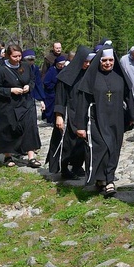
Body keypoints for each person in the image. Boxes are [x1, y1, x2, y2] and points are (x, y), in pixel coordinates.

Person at [73, 47, 134, 197]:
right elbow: (83, 101)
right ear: (99, 61)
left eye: (110, 60)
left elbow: (128, 96)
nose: (107, 63)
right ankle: (102, 178)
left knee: (114, 148)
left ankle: (109, 179)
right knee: (101, 147)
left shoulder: (120, 77)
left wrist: (132, 116)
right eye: (104, 60)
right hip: (96, 117)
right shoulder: (91, 77)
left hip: (116, 118)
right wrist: (80, 126)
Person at [0, 44, 42, 168]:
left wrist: (29, 86)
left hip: (26, 102)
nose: (18, 59)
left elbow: (32, 79)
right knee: (9, 128)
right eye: (15, 56)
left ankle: (31, 156)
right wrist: (10, 91)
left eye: (19, 56)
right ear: (8, 56)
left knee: (30, 127)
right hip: (8, 104)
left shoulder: (26, 66)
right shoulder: (2, 70)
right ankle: (8, 155)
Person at [48, 46, 93, 180]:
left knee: (82, 142)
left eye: (90, 61)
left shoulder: (89, 74)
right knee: (67, 142)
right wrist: (59, 116)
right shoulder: (66, 74)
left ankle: (77, 165)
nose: (88, 64)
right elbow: (60, 97)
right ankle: (64, 167)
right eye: (85, 61)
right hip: (69, 113)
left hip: (83, 112)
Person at [41, 55, 66, 123]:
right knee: (50, 108)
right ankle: (50, 120)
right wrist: (55, 84)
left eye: (63, 64)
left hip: (60, 92)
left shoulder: (64, 69)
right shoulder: (52, 70)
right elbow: (46, 82)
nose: (61, 66)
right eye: (60, 64)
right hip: (51, 92)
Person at [22, 50, 46, 118]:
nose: (31, 62)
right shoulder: (19, 68)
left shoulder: (35, 68)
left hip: (30, 95)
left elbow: (38, 84)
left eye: (32, 59)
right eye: (29, 60)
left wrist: (41, 99)